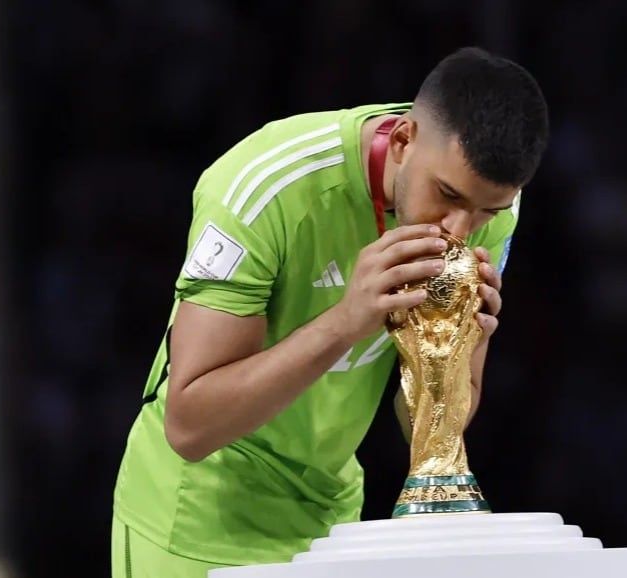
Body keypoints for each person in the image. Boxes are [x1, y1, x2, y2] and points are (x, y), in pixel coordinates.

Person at [111, 46, 549, 576]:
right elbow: (190, 427)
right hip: (196, 526)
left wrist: (445, 354)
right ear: (405, 140)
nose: (459, 230)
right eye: (447, 195)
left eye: (486, 211)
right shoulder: (262, 188)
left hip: (330, 525)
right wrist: (347, 322)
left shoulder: (491, 207)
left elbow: (424, 436)